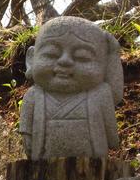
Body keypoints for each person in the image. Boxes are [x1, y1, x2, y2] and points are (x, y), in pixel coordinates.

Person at [19, 16, 123, 160]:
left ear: (104, 66)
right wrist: (27, 135)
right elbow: (26, 127)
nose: (65, 61)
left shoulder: (100, 93)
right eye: (51, 54)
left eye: (82, 57)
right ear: (31, 60)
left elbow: (115, 97)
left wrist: (113, 55)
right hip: (42, 164)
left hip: (93, 163)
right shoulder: (34, 95)